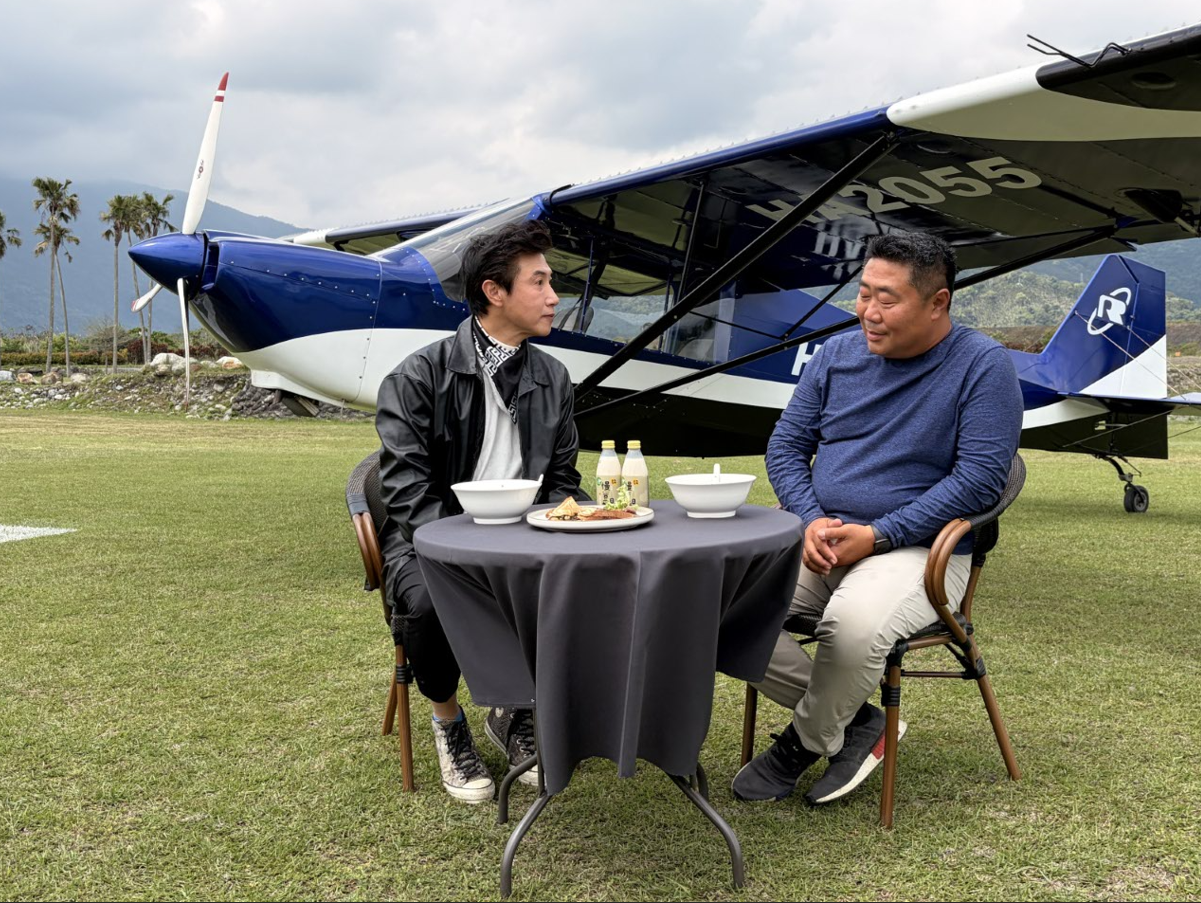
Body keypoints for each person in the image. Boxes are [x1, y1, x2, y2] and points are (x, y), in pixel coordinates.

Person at [733, 231, 1023, 805]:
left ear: (937, 302)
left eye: (886, 299)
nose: (867, 311)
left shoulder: (982, 365)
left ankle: (803, 744)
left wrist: (880, 534)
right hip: (821, 540)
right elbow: (786, 447)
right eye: (863, 294)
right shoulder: (837, 356)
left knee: (854, 625)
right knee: (713, 604)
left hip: (919, 551)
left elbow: (981, 479)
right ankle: (861, 724)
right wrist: (812, 519)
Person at [375, 219, 586, 802]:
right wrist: (464, 551)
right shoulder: (419, 376)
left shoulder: (553, 376)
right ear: (495, 292)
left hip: (525, 534)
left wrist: (585, 520)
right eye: (539, 283)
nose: (553, 296)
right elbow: (407, 493)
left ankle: (518, 712)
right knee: (424, 601)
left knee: (582, 580)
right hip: (432, 536)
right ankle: (450, 724)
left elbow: (563, 480)